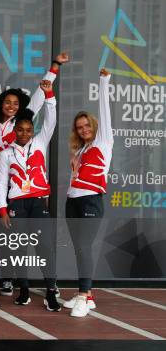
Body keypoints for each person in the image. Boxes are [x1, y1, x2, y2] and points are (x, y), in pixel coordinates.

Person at [0, 53, 69, 296]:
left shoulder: (24, 125)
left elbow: (42, 95)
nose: (11, 106)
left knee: (31, 239)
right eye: (7, 103)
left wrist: (55, 68)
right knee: (4, 234)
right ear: (0, 104)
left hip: (23, 191)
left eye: (15, 104)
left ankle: (20, 280)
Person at [0, 80, 60, 312]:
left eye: (28, 130)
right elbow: (2, 183)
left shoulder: (41, 143)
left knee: (44, 247)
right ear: (14, 131)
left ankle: (51, 291)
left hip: (38, 203)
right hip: (17, 205)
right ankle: (23, 289)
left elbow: (51, 119)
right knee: (19, 249)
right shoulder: (5, 153)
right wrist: (2, 210)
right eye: (20, 130)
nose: (24, 133)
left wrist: (49, 94)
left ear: (33, 131)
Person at [63, 69, 113, 318]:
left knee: (84, 247)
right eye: (79, 127)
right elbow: (75, 178)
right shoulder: (81, 150)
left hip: (91, 201)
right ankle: (87, 295)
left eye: (86, 125)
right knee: (78, 248)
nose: (83, 129)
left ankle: (84, 295)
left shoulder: (104, 141)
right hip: (72, 201)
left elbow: (105, 111)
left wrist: (104, 82)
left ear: (93, 125)